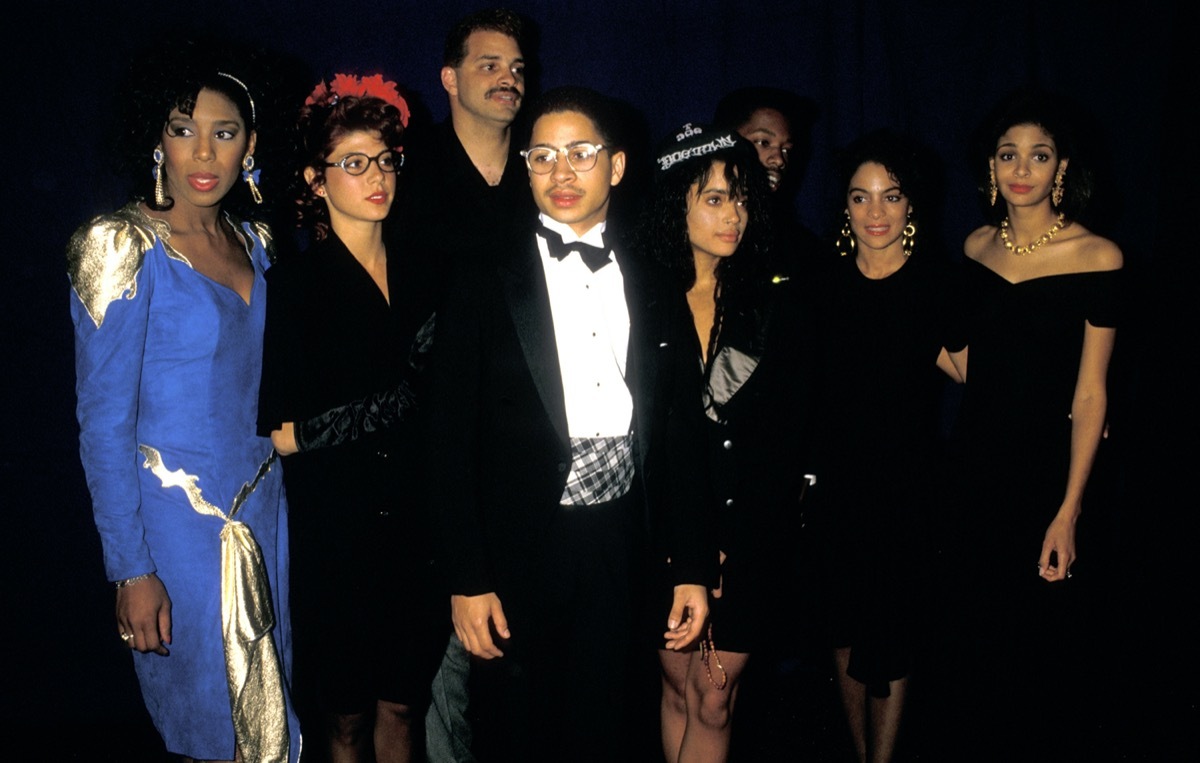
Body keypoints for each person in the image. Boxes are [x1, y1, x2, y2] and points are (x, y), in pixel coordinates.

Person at [426, 86, 716, 762]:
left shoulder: (652, 276)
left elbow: (678, 430)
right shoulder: (480, 276)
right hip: (516, 548)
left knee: (610, 728)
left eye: (580, 154)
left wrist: (693, 564)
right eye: (543, 156)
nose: (561, 173)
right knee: (515, 733)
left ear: (615, 166)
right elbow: (445, 438)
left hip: (622, 543)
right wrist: (467, 577)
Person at [68, 43, 299, 762]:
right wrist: (131, 569)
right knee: (210, 727)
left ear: (250, 144)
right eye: (182, 127)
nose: (203, 151)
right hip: (177, 529)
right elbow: (103, 424)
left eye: (224, 132)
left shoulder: (255, 242)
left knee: (273, 722)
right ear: (155, 138)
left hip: (266, 511)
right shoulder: (120, 245)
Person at [256, 74, 444, 763]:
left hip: (419, 527)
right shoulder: (295, 288)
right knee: (344, 720)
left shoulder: (428, 271)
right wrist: (400, 397)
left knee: (404, 705)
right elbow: (284, 433)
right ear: (315, 177)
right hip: (339, 536)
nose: (377, 177)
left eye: (386, 160)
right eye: (355, 163)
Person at [950, 91, 1122, 754]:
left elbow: (1091, 395)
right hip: (974, 466)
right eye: (1009, 154)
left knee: (1048, 653)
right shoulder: (974, 245)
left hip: (1051, 475)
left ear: (1062, 167)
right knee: (975, 646)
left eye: (1039, 155)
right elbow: (968, 363)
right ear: (991, 168)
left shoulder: (1098, 256)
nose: (1023, 168)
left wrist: (1069, 510)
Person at [644, 123, 810, 763]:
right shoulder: (640, 296)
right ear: (674, 204)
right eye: (714, 199)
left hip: (750, 532)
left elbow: (790, 434)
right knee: (679, 684)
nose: (734, 214)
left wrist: (731, 536)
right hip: (663, 530)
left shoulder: (775, 295)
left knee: (714, 694)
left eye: (740, 197)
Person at [395, 10, 533, 761]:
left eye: (517, 65)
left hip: (528, 452)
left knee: (520, 667)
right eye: (489, 64)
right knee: (435, 665)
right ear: (449, 78)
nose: (509, 76)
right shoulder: (407, 179)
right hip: (426, 446)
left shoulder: (545, 177)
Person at [811, 131, 961, 763]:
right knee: (841, 632)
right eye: (860, 198)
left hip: (907, 491)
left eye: (891, 196)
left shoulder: (937, 284)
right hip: (834, 492)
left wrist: (1073, 404)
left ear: (911, 204)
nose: (876, 213)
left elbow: (982, 374)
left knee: (893, 638)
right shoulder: (823, 286)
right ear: (843, 208)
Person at [714, 86, 821, 276]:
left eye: (786, 149)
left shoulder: (800, 248)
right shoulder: (693, 232)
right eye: (763, 143)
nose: (779, 160)